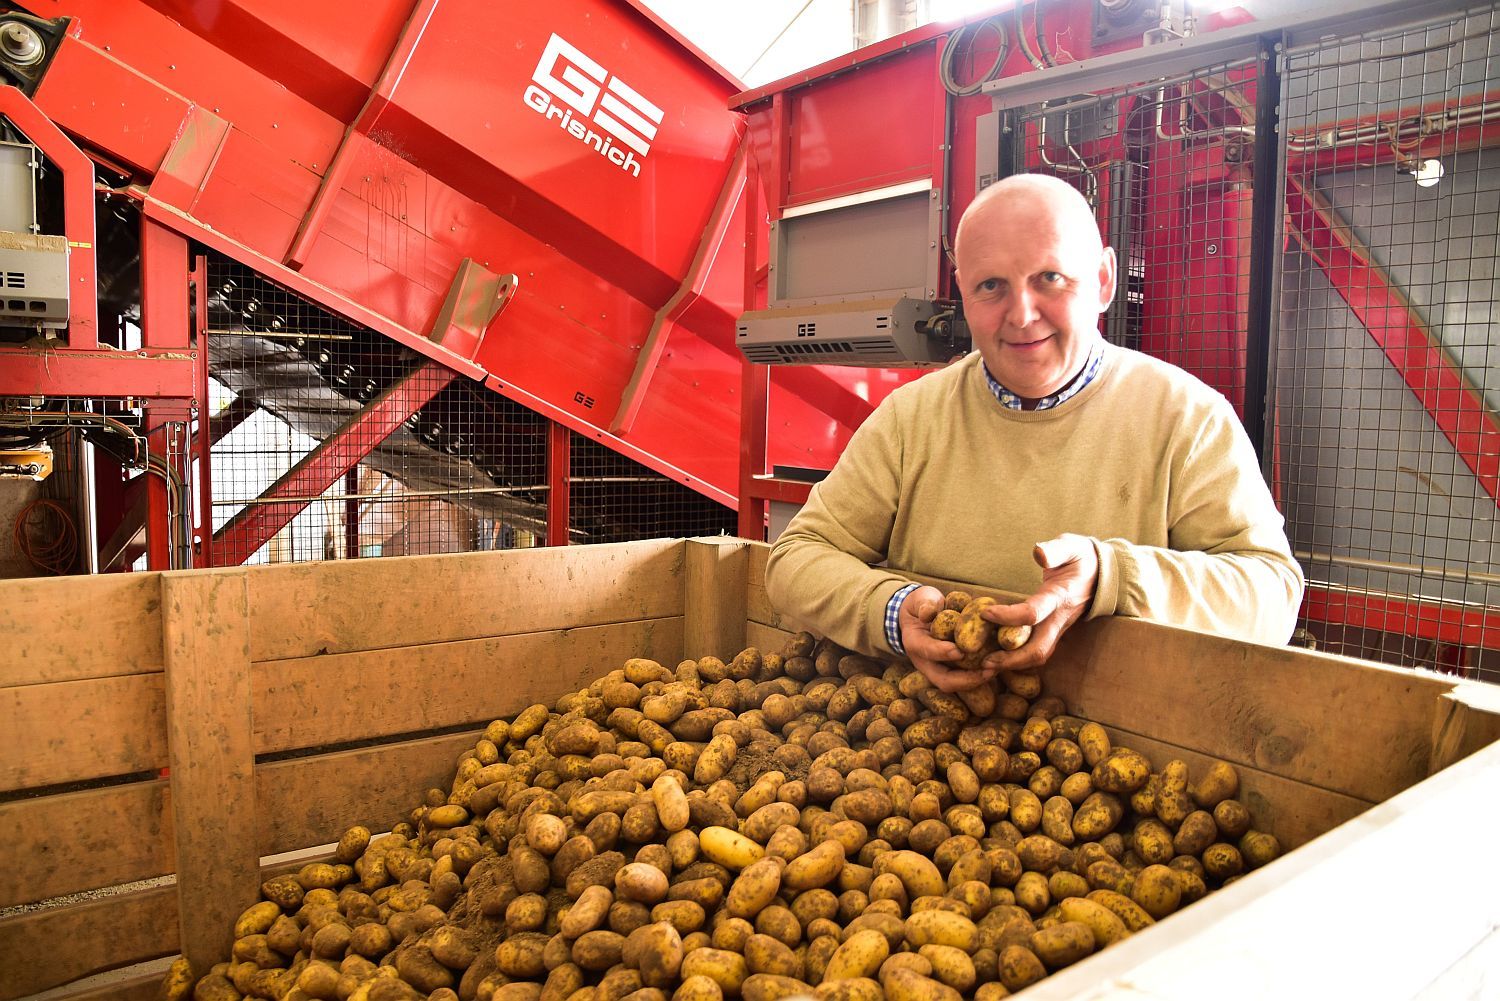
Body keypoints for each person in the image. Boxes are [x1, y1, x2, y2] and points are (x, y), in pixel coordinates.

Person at [765, 173, 1304, 692]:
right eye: (991, 286)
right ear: (962, 292)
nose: (1021, 315)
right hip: (928, 734)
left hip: (1117, 745)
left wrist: (1110, 576)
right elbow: (796, 557)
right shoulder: (911, 419)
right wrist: (891, 610)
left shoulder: (1186, 418)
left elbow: (1272, 595)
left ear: (1103, 281)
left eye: (1050, 278)